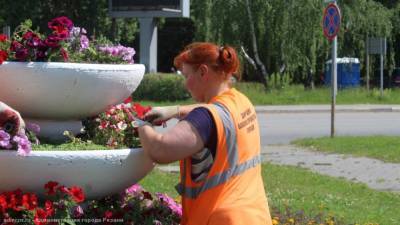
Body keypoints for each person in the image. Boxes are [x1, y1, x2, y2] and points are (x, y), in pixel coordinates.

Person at [137, 42, 273, 225]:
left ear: (202, 72)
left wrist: (140, 122)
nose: (186, 84)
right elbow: (215, 111)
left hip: (220, 218)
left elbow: (160, 149)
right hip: (253, 215)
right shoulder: (241, 102)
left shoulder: (205, 117)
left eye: (187, 76)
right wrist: (177, 110)